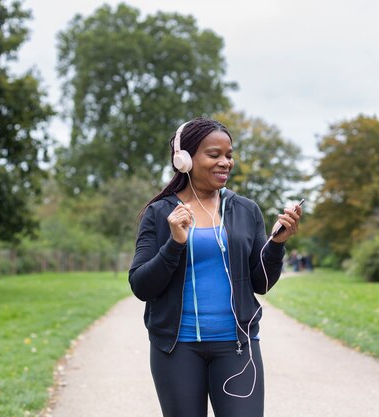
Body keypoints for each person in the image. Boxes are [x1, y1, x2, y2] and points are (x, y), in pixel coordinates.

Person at [128, 118, 302, 417]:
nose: (225, 162)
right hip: (176, 349)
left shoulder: (246, 210)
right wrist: (174, 244)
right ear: (184, 159)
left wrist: (276, 245)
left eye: (229, 155)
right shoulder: (160, 214)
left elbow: (261, 282)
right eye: (214, 155)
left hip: (236, 347)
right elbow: (141, 286)